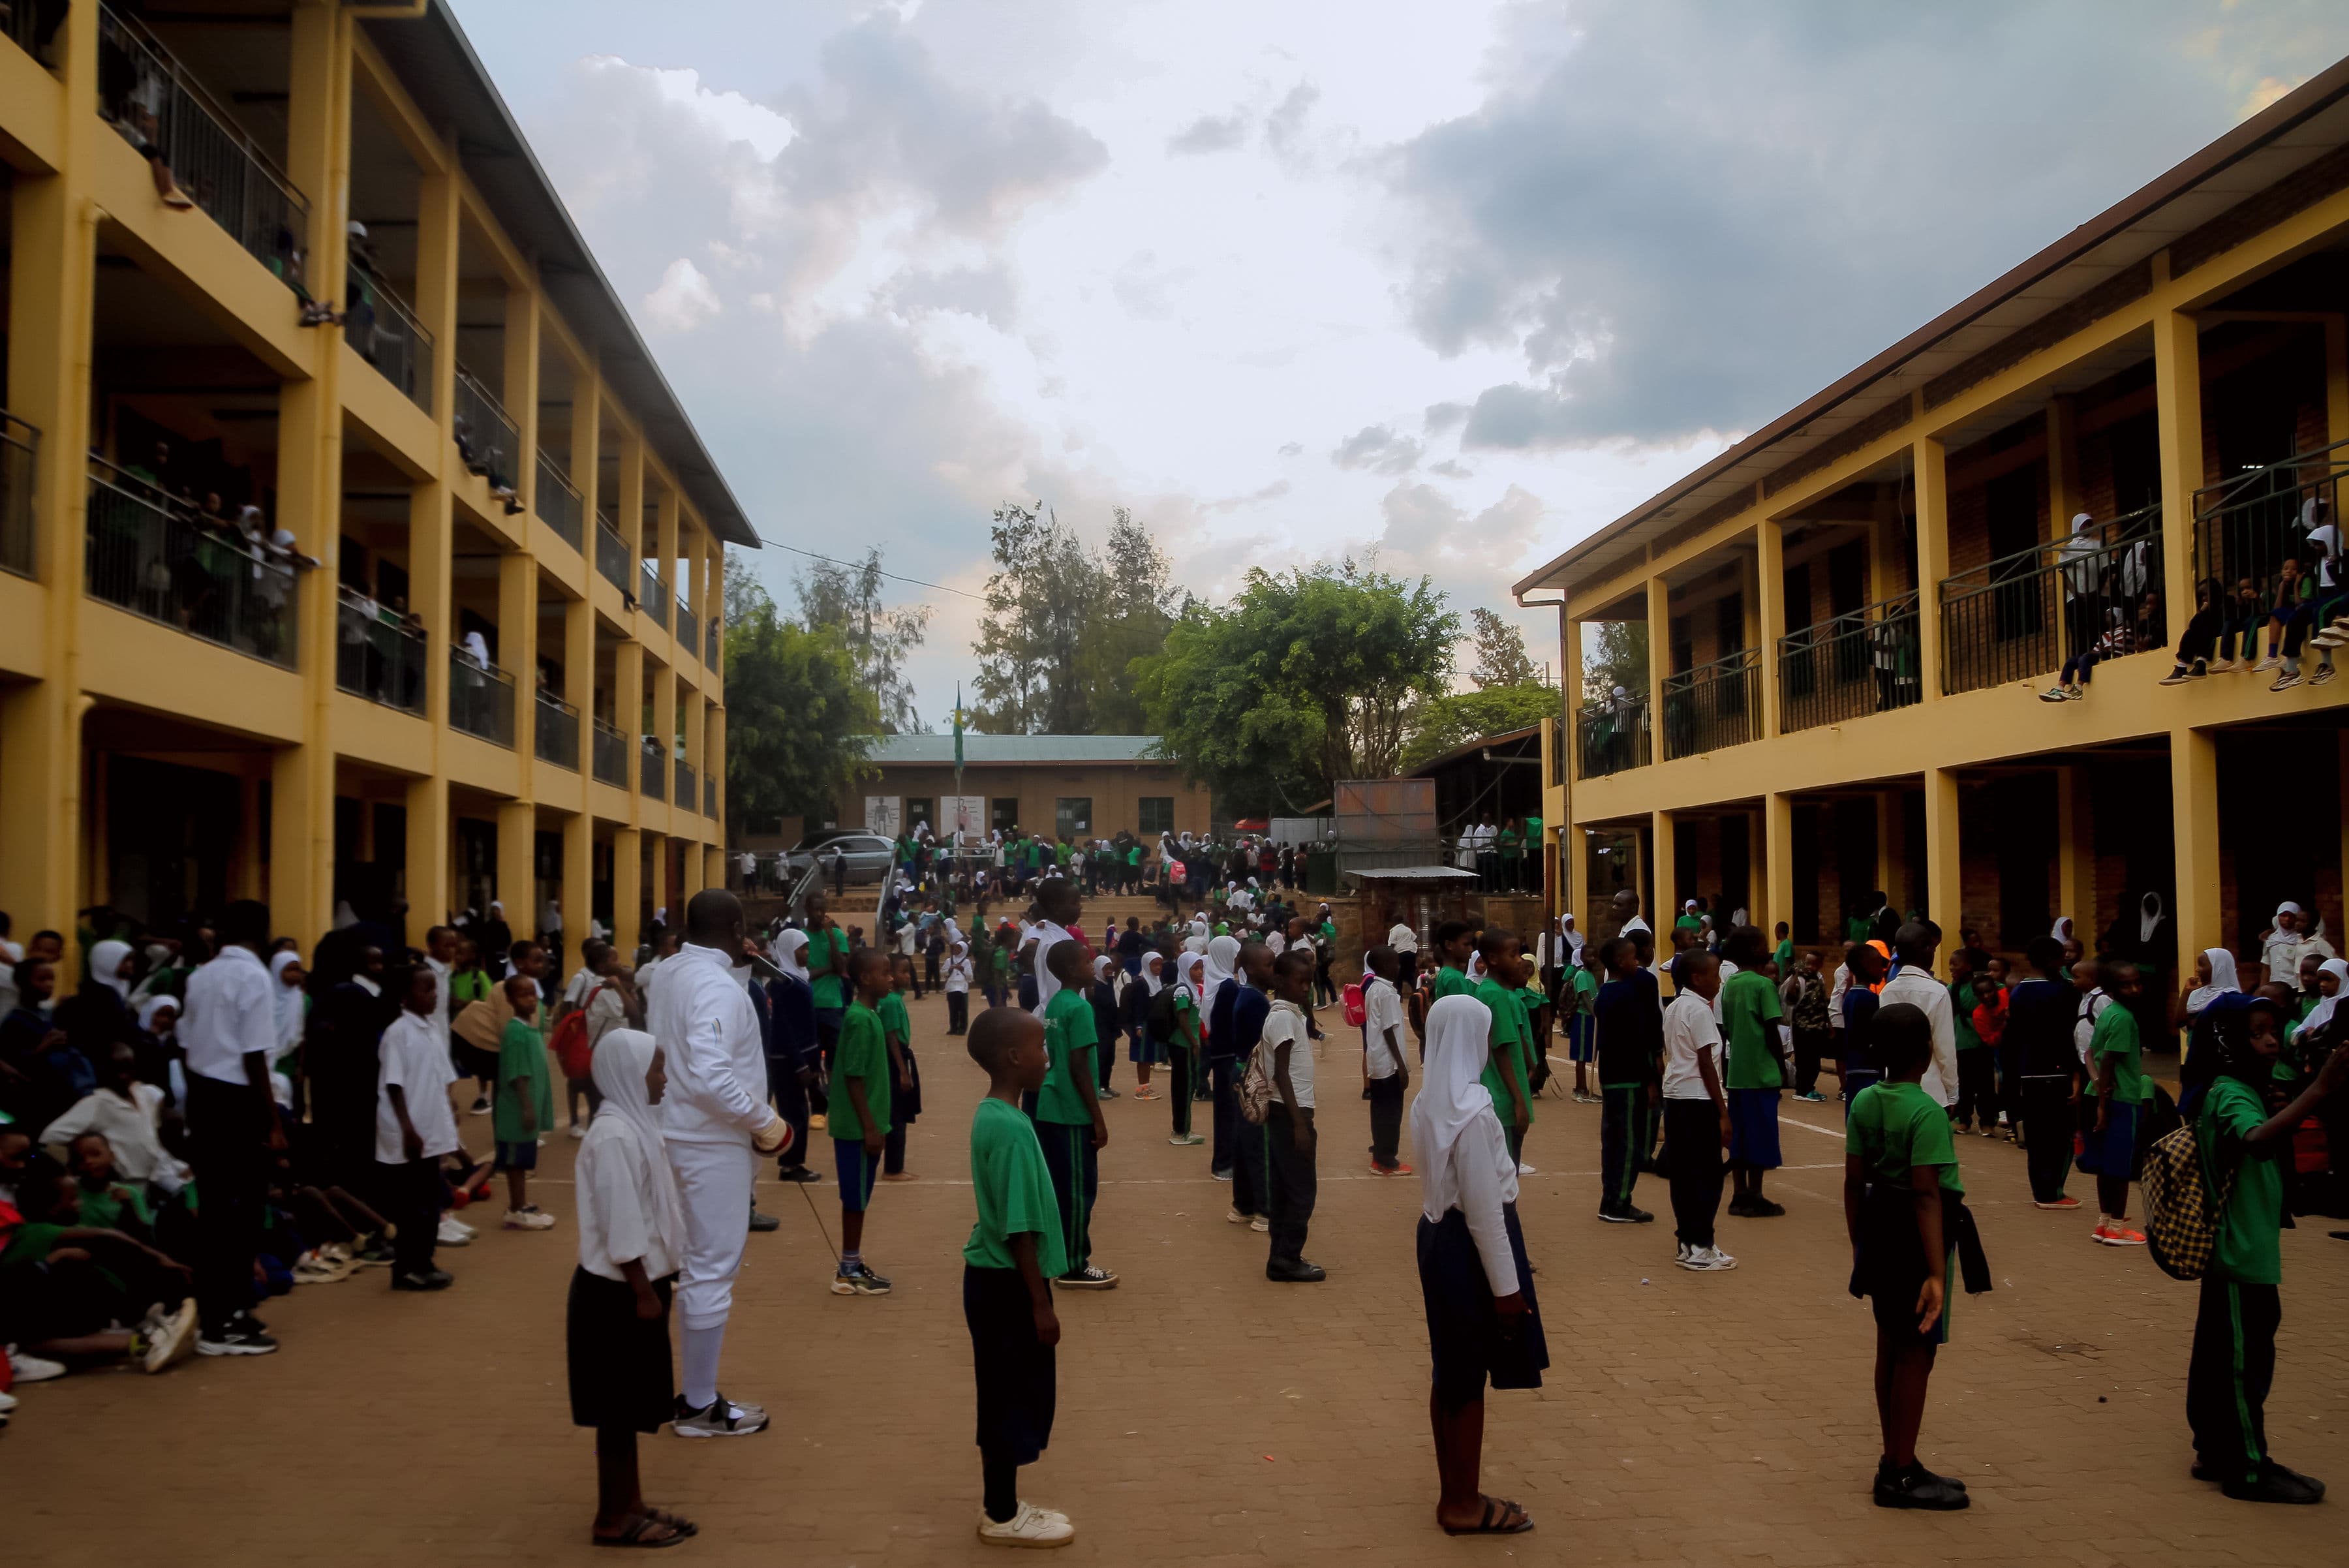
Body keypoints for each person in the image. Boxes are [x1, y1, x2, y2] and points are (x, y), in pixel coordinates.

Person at [2183, 997, 2349, 1503]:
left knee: (2220, 1357)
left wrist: (2294, 1100)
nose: (2272, 1040)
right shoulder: (2231, 1091)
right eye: (2258, 1033)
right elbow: (2254, 1140)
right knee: (2243, 1363)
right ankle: (2249, 1468)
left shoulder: (2240, 1088)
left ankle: (2215, 1450)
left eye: (2272, 1030)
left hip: (2239, 1249)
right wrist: (2320, 1089)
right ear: (2231, 1041)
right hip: (2241, 1251)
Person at [654, 889, 794, 1436]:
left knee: (690, 1264)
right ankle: (698, 1404)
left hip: (674, 1131)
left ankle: (694, 1396)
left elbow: (707, 1023)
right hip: (710, 1141)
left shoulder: (670, 970)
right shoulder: (713, 984)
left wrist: (739, 967)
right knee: (711, 1268)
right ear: (737, 927)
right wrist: (763, 1120)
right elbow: (713, 1071)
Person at [1413, 991, 1544, 1537]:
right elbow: (1486, 1213)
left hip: (1437, 1236)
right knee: (1468, 1378)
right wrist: (1508, 1290)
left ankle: (1455, 1488)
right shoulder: (1474, 1110)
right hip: (1471, 1245)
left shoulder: (1429, 1101)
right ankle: (1462, 1504)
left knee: (1451, 1370)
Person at [567, 1028, 696, 1548]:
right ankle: (610, 1519)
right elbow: (623, 1227)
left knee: (629, 1407)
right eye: (656, 1069)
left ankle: (631, 1501)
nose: (664, 1079)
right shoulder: (615, 1136)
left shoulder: (636, 1126)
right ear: (628, 1073)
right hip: (617, 1292)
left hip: (639, 1286)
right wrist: (645, 1292)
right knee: (615, 1412)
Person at [1842, 1001, 1971, 1511]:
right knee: (1917, 1351)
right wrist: (1937, 1271)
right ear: (1927, 1052)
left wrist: (1859, 1243)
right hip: (1920, 1238)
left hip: (1879, 1229)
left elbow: (1853, 1180)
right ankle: (1899, 1472)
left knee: (1889, 1346)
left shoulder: (1865, 1101)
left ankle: (1897, 1456)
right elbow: (1926, 1193)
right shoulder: (1926, 1113)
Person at [959, 1006, 1078, 1546]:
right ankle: (1001, 1513)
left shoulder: (1002, 1114)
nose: (1046, 1055)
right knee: (1008, 1395)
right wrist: (1041, 1303)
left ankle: (1002, 1502)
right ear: (1013, 1057)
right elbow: (1019, 1228)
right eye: (1038, 1047)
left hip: (1003, 1281)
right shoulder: (1006, 1127)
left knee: (1009, 1391)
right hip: (1008, 1285)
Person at [177, 899, 285, 1356]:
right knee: (242, 1212)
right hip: (237, 1098)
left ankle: (215, 1313)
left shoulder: (201, 975)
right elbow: (254, 1054)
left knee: (217, 1210)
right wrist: (273, 1119)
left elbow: (185, 1043)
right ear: (261, 931)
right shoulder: (254, 975)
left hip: (202, 1095)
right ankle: (229, 1320)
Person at [1034, 940, 1116, 1289]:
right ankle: (1073, 1264)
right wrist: (1097, 1117)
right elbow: (1080, 1065)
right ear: (1071, 970)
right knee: (1080, 1191)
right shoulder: (1080, 1009)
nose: (1092, 965)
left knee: (1061, 1189)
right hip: (1071, 1110)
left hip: (1052, 1105)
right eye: (1086, 961)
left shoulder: (1056, 1003)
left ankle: (1062, 1257)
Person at [376, 963, 457, 1293]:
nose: (434, 995)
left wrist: (449, 1109)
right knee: (413, 1206)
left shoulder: (430, 1029)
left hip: (431, 1129)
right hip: (411, 1133)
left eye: (434, 988)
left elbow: (441, 1077)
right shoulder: (398, 1033)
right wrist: (408, 1129)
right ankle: (407, 1268)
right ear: (405, 996)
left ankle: (424, 1262)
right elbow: (394, 1086)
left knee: (430, 1203)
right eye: (426, 989)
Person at [1663, 953, 1734, 1271]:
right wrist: (1723, 1113)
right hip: (1698, 1099)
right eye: (1715, 975)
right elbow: (1707, 1064)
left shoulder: (1675, 1007)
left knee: (1683, 1173)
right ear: (1696, 979)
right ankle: (1701, 1246)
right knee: (1707, 1174)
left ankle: (1687, 1242)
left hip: (1676, 1096)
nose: (1719, 981)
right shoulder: (1699, 1010)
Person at [1260, 948, 1323, 1282]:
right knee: (1301, 1190)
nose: (1305, 988)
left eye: (1309, 982)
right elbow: (1281, 1073)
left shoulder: (1292, 1013)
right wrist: (1299, 1124)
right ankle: (1287, 1257)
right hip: (1290, 1112)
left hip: (1289, 1111)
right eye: (1300, 982)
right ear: (1280, 981)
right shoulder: (1283, 1016)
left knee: (1286, 1189)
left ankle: (1280, 1257)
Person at [1718, 927, 1789, 1219]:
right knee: (1761, 1136)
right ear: (1755, 952)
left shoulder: (1730, 984)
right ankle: (1756, 1195)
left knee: (1740, 1137)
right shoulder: (1763, 985)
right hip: (1761, 1073)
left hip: (1738, 1073)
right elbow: (1772, 1030)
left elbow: (1726, 1029)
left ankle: (1738, 1195)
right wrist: (1782, 1067)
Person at [2078, 959, 2149, 1246]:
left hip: (2100, 1095)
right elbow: (2107, 1059)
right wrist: (2103, 1105)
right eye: (2125, 984)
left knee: (2106, 1166)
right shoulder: (2123, 1018)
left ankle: (2104, 1222)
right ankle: (2117, 1228)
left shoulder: (2108, 1013)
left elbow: (2089, 1054)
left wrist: (2095, 1085)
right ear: (2110, 989)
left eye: (2136, 982)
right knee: (2119, 1167)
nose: (2134, 989)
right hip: (2119, 1099)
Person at [493, 974, 557, 1231]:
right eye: (523, 995)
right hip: (516, 1109)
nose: (531, 1000)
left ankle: (520, 1204)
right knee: (515, 1162)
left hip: (526, 1106)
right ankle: (516, 1210)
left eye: (533, 994)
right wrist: (528, 1107)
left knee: (523, 1159)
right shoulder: (516, 1031)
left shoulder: (530, 1028)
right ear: (510, 999)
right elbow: (518, 1075)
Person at [1472, 933, 1537, 1172]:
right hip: (1504, 1098)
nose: (1520, 960)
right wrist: (1519, 1100)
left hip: (1499, 1096)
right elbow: (1502, 1050)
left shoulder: (1492, 992)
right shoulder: (1496, 996)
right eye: (1513, 955)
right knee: (1506, 1175)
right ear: (1493, 959)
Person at [1879, 922, 1958, 1111]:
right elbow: (1944, 1048)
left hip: (1894, 1088)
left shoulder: (1887, 991)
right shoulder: (1938, 992)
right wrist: (1952, 1092)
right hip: (1931, 1092)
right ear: (1927, 949)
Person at [1362, 945, 1411, 1176]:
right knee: (1392, 1112)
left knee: (1380, 1110)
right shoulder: (1388, 993)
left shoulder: (1373, 989)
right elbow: (1389, 1030)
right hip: (1389, 1063)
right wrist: (1401, 1066)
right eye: (1395, 963)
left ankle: (1379, 1155)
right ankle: (1387, 1160)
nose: (1399, 967)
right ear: (1383, 966)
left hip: (1377, 1061)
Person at [880, 955, 923, 1182]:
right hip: (894, 1059)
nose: (907, 976)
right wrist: (903, 1071)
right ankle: (893, 1168)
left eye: (909, 972)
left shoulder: (895, 999)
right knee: (897, 1112)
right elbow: (891, 1037)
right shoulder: (891, 1002)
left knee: (899, 1111)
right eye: (902, 972)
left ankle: (895, 1165)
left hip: (898, 1056)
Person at [1781, 948, 1830, 1103]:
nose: (1809, 966)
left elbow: (1822, 1004)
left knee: (1814, 1062)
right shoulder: (1800, 980)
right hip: (1802, 1028)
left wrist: (1829, 1024)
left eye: (1813, 963)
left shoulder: (1819, 979)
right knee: (1804, 1060)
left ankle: (1809, 1088)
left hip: (1818, 1028)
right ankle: (1802, 1090)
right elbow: (1789, 996)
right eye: (1807, 962)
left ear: (1820, 964)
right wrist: (1795, 974)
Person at [944, 939, 974, 1036]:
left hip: (962, 987)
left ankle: (962, 1028)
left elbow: (970, 976)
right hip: (952, 987)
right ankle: (953, 1028)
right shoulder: (949, 961)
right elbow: (943, 972)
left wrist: (963, 969)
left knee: (963, 1009)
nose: (956, 950)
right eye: (955, 947)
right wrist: (950, 969)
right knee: (953, 1009)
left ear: (964, 950)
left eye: (959, 948)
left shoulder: (966, 962)